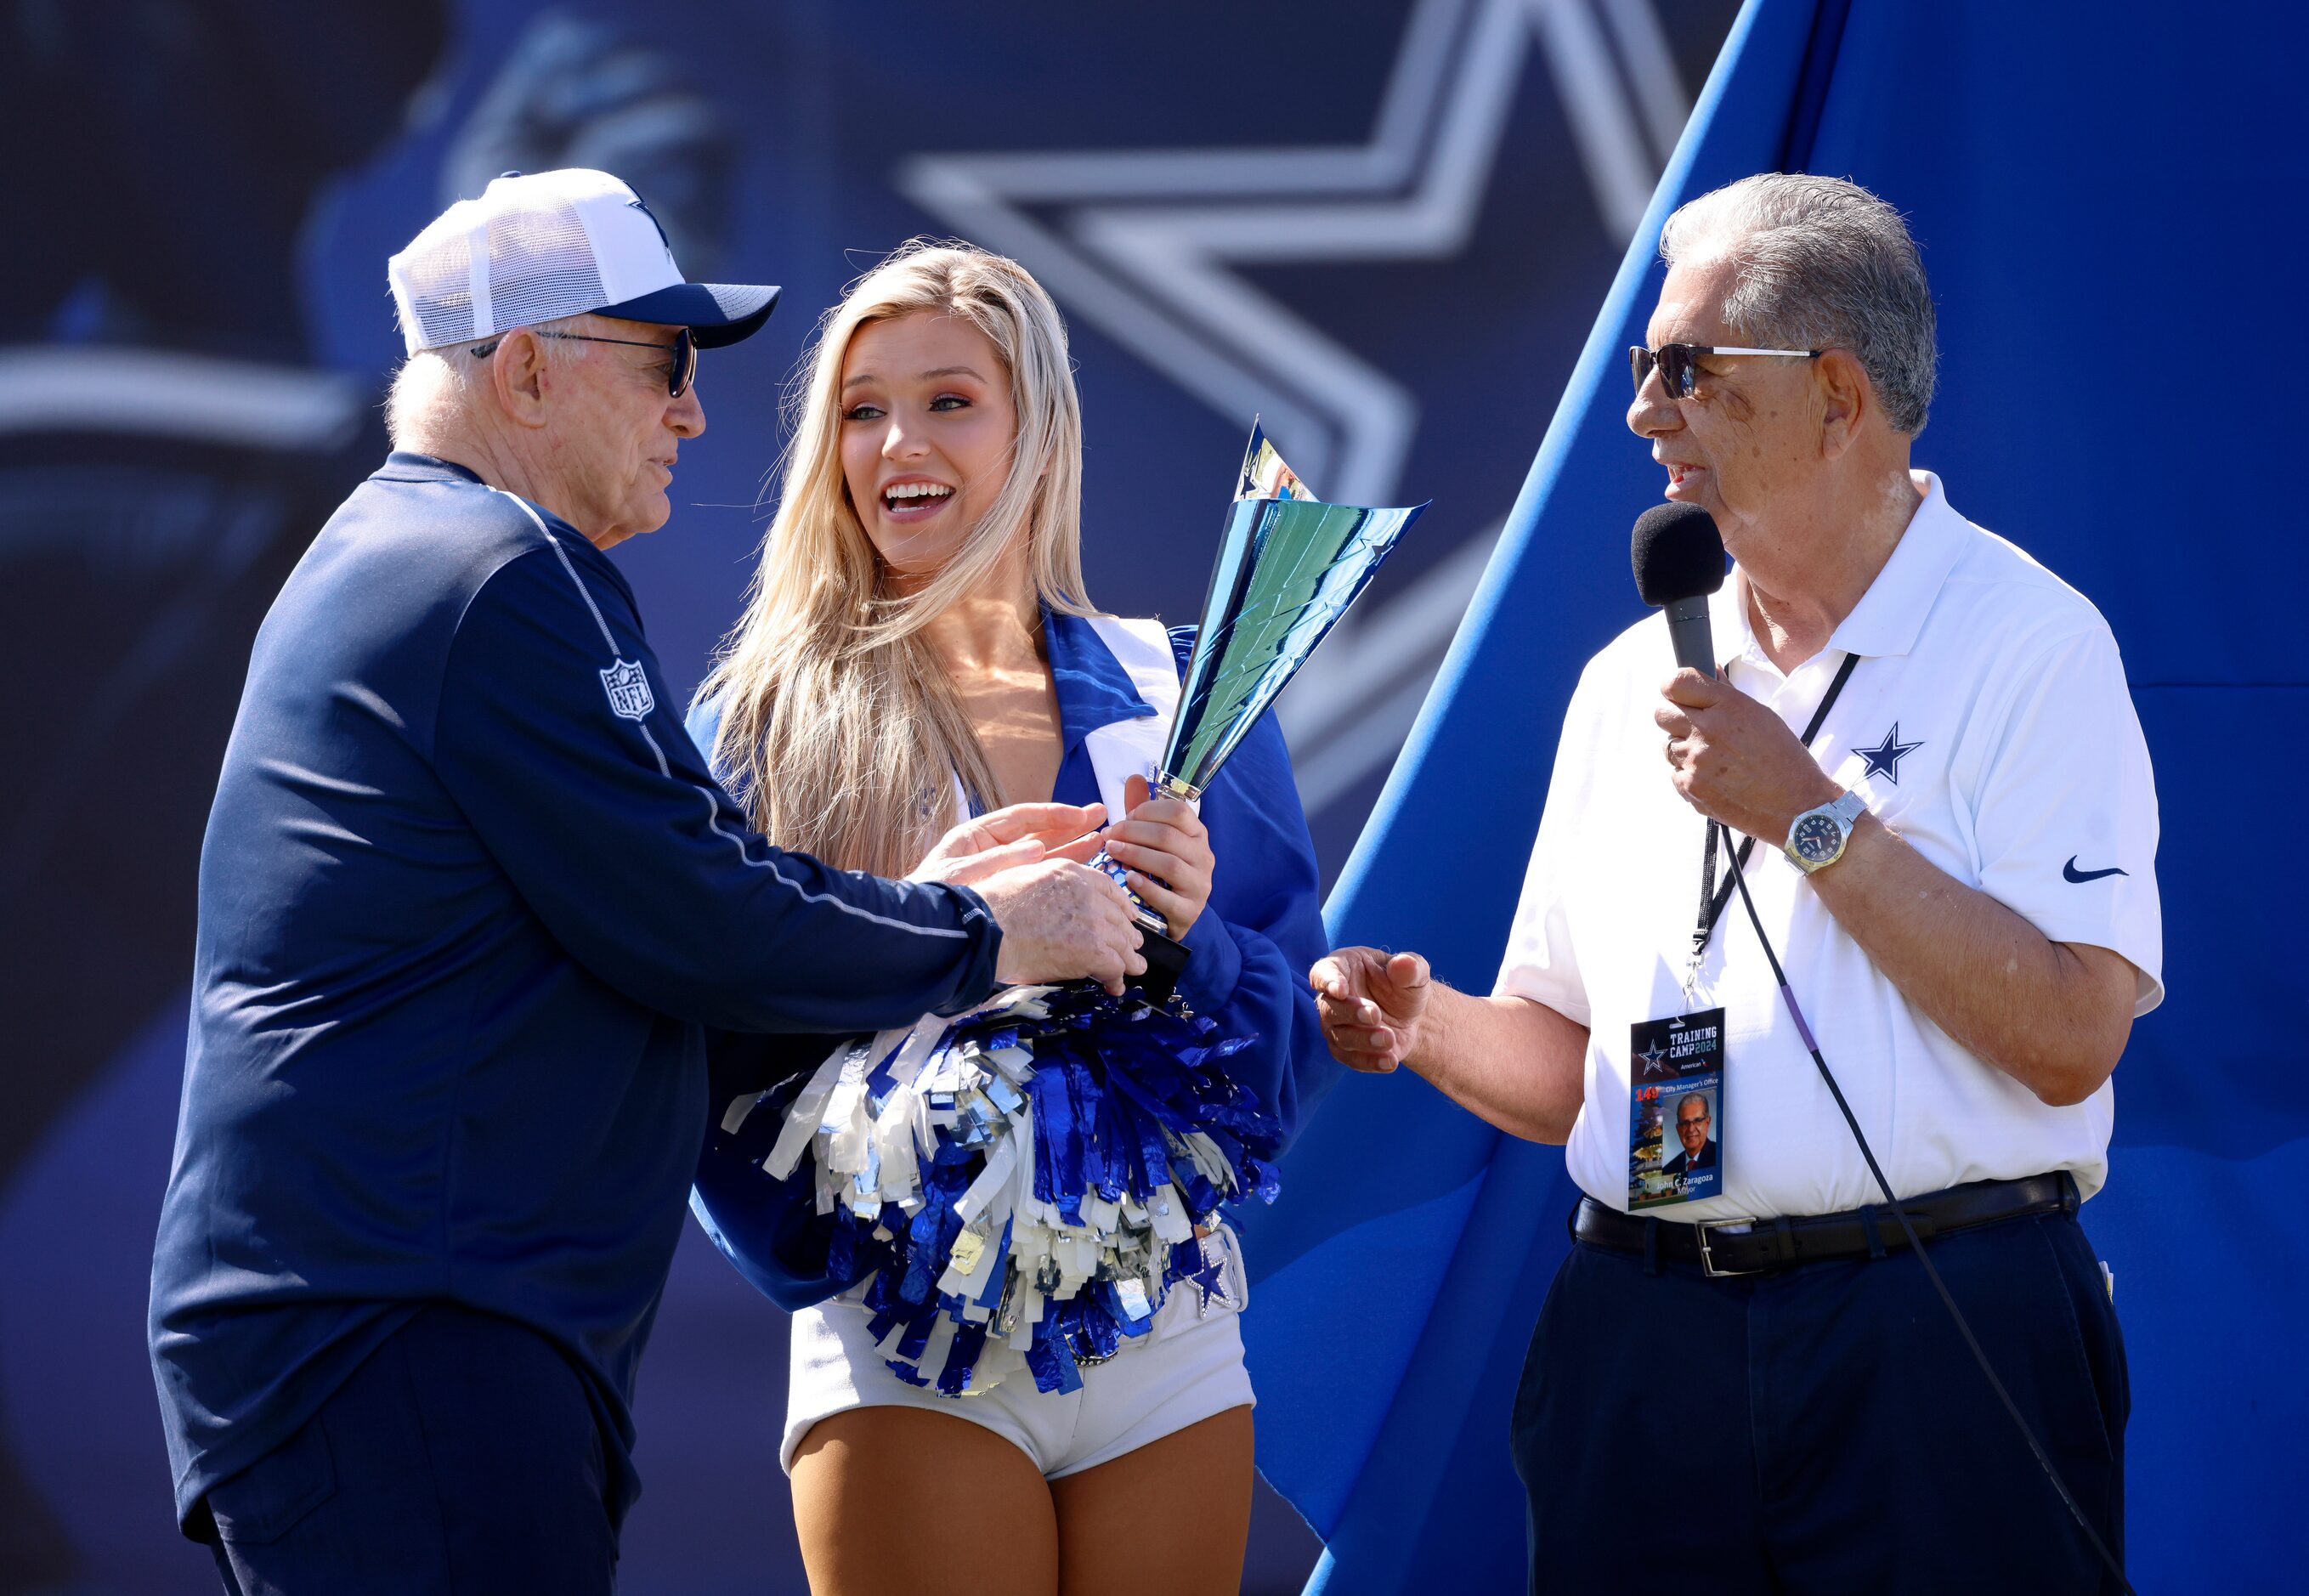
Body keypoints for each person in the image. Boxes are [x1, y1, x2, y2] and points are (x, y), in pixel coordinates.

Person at [148, 171, 1142, 1596]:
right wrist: (986, 930)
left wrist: (934, 918)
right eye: (665, 360)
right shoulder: (494, 568)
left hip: (378, 1328)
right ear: (531, 370)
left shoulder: (424, 553)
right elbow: (700, 914)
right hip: (406, 1331)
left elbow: (688, 909)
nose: (690, 410)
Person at [1314, 174, 2159, 1592]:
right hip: (1643, 1345)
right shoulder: (1623, 680)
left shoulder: (2029, 644)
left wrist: (1812, 819)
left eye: (1680, 368)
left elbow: (2071, 1035)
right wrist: (1428, 1023)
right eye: (1643, 369)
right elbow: (1581, 1057)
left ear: (1836, 391)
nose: (1641, 409)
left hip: (1935, 1344)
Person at [687, 241, 1333, 1595]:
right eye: (860, 408)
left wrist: (1188, 937)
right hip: (905, 1351)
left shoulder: (1180, 693)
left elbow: (1286, 1058)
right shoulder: (755, 724)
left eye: (949, 401)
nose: (896, 443)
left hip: (1168, 1341)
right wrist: (851, 1236)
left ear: (1036, 431)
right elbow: (703, 1052)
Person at [1660, 1093, 1715, 1178]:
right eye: (1685, 1123)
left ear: (1707, 1123)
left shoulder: (1719, 1156)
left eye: (1697, 1120)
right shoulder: (1668, 1170)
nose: (1691, 1129)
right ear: (1678, 1129)